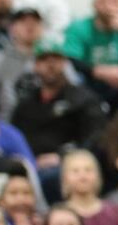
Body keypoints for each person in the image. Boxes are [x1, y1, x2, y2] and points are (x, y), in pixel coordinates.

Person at [11, 36, 107, 176]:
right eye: (44, 59)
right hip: (31, 168)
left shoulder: (83, 99)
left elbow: (96, 137)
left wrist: (63, 156)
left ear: (64, 63)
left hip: (71, 168)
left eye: (55, 59)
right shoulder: (26, 105)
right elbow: (15, 139)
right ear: (35, 65)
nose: (50, 65)